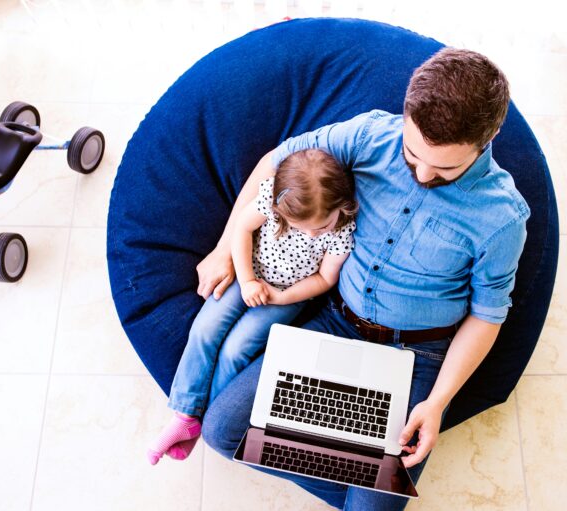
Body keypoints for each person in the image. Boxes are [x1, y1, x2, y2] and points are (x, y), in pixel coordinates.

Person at [197, 47, 530, 510]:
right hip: (337, 323)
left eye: (445, 168)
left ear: (489, 137)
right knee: (222, 431)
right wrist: (223, 248)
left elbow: (487, 315)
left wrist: (436, 404)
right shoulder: (370, 135)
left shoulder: (503, 217)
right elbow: (277, 162)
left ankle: (364, 487)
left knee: (372, 502)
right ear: (406, 113)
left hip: (418, 355)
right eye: (412, 154)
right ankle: (358, 479)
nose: (423, 174)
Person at [147, 148, 358, 465]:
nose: (311, 234)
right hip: (249, 273)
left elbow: (325, 278)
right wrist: (246, 280)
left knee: (237, 349)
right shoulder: (272, 199)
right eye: (302, 227)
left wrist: (282, 297)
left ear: (341, 206)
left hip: (288, 295)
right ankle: (185, 414)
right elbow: (242, 230)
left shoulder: (341, 230)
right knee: (205, 330)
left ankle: (207, 416)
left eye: (320, 227)